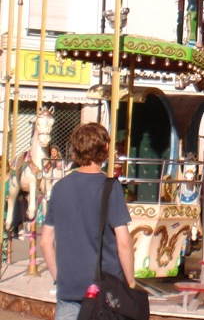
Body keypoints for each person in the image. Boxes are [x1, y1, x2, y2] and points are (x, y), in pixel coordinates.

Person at [40, 123, 135, 320]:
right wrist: (131, 282)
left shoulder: (60, 188)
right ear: (105, 148)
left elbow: (46, 241)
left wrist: (59, 278)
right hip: (104, 288)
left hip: (69, 287)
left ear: (75, 149)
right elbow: (124, 242)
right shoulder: (110, 188)